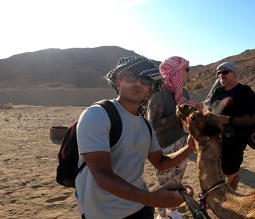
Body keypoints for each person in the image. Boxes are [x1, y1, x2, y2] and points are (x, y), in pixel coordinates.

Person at [75, 56, 195, 219]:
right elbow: (102, 175)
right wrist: (151, 198)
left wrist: (189, 148)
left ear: (150, 87)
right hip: (103, 213)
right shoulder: (97, 114)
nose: (138, 83)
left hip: (141, 209)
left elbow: (160, 162)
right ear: (118, 82)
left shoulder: (145, 126)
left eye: (145, 80)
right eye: (130, 78)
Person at [146, 56, 193, 219]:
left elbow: (185, 118)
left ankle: (173, 210)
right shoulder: (158, 94)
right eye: (186, 69)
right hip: (164, 146)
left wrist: (193, 111)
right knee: (164, 182)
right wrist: (180, 112)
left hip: (182, 143)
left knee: (177, 179)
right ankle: (162, 214)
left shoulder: (183, 92)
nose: (188, 73)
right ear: (177, 72)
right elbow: (154, 125)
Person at [208, 61, 255, 190]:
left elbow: (254, 118)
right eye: (219, 73)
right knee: (217, 170)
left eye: (225, 72)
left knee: (230, 172)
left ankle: (232, 196)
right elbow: (211, 110)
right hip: (216, 139)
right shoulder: (218, 92)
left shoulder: (244, 92)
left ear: (234, 74)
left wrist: (229, 120)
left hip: (235, 141)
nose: (221, 75)